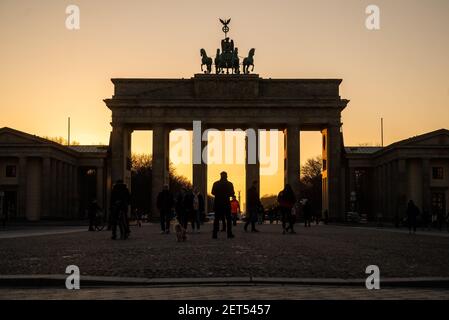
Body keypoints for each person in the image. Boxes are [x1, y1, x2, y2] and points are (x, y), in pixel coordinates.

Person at [211, 171, 235, 239]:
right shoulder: (230, 184)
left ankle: (214, 234)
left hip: (218, 203)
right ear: (226, 176)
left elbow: (212, 192)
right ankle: (229, 234)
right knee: (228, 219)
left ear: (220, 176)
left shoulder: (216, 183)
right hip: (226, 203)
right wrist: (227, 194)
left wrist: (219, 194)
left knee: (216, 219)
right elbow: (232, 193)